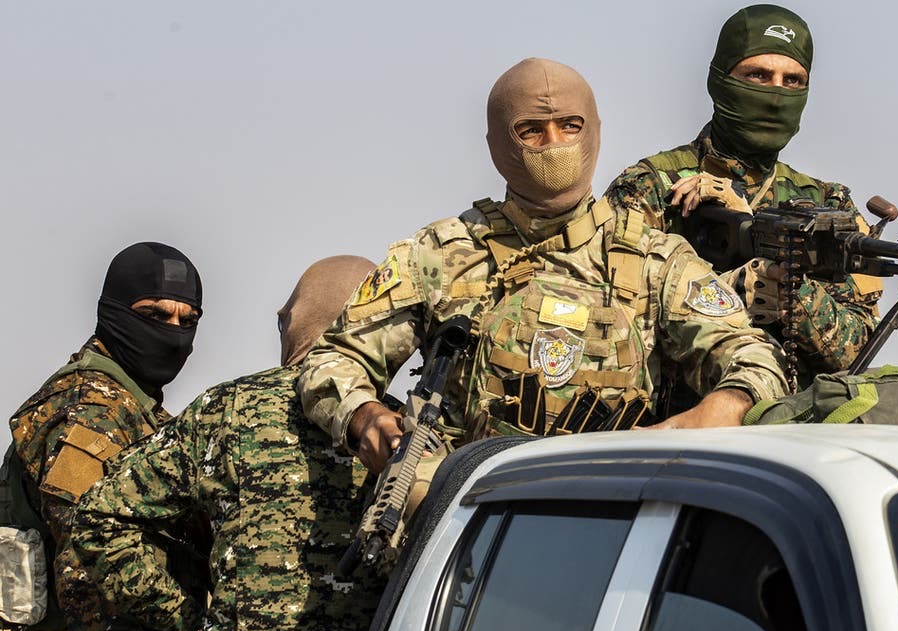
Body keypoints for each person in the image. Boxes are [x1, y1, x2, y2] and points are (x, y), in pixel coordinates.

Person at [298, 58, 789, 476]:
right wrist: (365, 417)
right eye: (531, 130)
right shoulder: (440, 254)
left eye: (570, 126)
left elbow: (755, 359)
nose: (554, 144)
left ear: (593, 131)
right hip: (464, 518)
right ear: (498, 142)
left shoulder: (656, 261)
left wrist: (717, 410)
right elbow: (332, 359)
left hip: (613, 513)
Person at [66, 255, 386, 631]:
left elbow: (97, 520)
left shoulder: (229, 410)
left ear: (290, 322)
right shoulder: (406, 436)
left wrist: (192, 623)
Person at [604, 4, 882, 392]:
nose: (775, 95)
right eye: (758, 75)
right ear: (720, 80)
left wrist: (792, 294)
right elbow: (608, 323)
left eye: (792, 81)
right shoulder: (651, 187)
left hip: (796, 423)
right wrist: (724, 292)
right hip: (680, 421)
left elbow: (860, 350)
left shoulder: (828, 204)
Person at [4, 242, 205, 631]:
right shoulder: (90, 410)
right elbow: (87, 557)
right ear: (112, 311)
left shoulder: (137, 410)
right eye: (154, 314)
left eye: (188, 320)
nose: (174, 333)